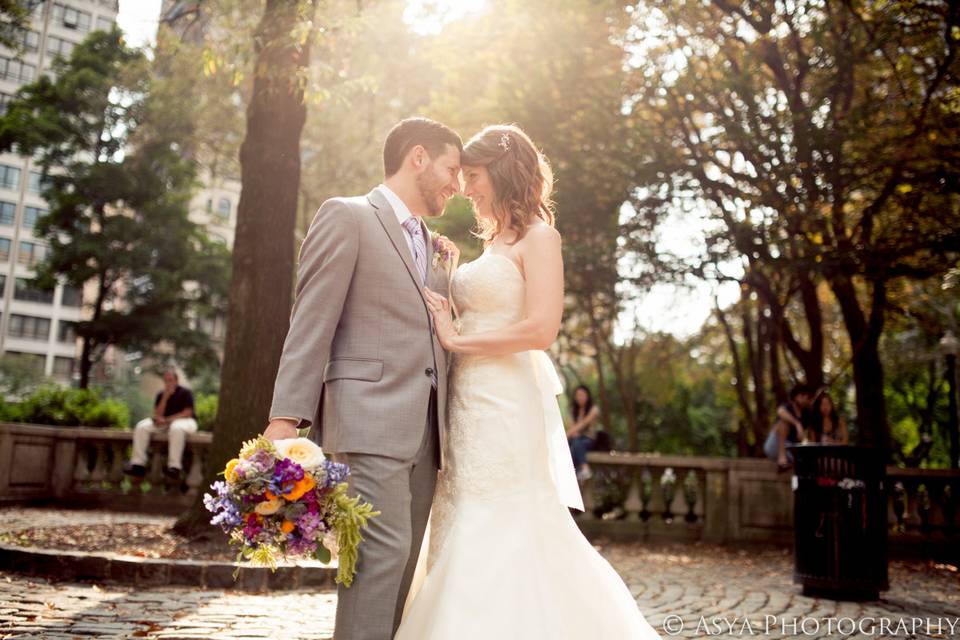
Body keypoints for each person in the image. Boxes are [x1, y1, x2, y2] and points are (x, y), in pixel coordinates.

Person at [401, 124, 661, 639]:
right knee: (460, 511)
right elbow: (485, 312)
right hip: (466, 398)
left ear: (500, 171)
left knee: (500, 515)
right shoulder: (495, 240)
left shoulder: (542, 238)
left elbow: (540, 329)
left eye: (472, 176)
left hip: (504, 401)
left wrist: (455, 339)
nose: (466, 187)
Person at [263, 117, 462, 640]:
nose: (456, 184)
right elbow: (311, 322)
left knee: (399, 571)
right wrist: (284, 421)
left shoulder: (433, 244)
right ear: (417, 157)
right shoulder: (347, 216)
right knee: (379, 560)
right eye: (451, 168)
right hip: (368, 421)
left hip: (427, 433)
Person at [124, 370, 197, 482]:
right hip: (166, 423)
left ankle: (174, 467)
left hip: (186, 422)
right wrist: (165, 397)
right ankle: (138, 465)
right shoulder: (161, 394)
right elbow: (157, 414)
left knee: (176, 428)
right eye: (166, 381)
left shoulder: (185, 393)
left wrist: (167, 420)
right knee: (141, 426)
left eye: (170, 380)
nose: (168, 383)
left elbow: (187, 413)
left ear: (176, 381)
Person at [763, 382, 813, 470]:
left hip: (791, 448)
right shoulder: (787, 407)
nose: (804, 398)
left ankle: (787, 462)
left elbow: (807, 437)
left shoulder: (807, 414)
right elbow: (780, 412)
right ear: (795, 396)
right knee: (783, 423)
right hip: (774, 445)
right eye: (802, 395)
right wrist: (797, 424)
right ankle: (782, 459)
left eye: (807, 396)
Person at [567, 384, 600, 481]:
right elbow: (571, 426)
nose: (579, 397)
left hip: (589, 440)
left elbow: (584, 423)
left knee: (576, 443)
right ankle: (576, 474)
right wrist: (571, 433)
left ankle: (585, 469)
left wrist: (566, 435)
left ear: (587, 396)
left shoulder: (594, 409)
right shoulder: (573, 410)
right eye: (577, 395)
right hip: (575, 440)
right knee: (573, 445)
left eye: (582, 395)